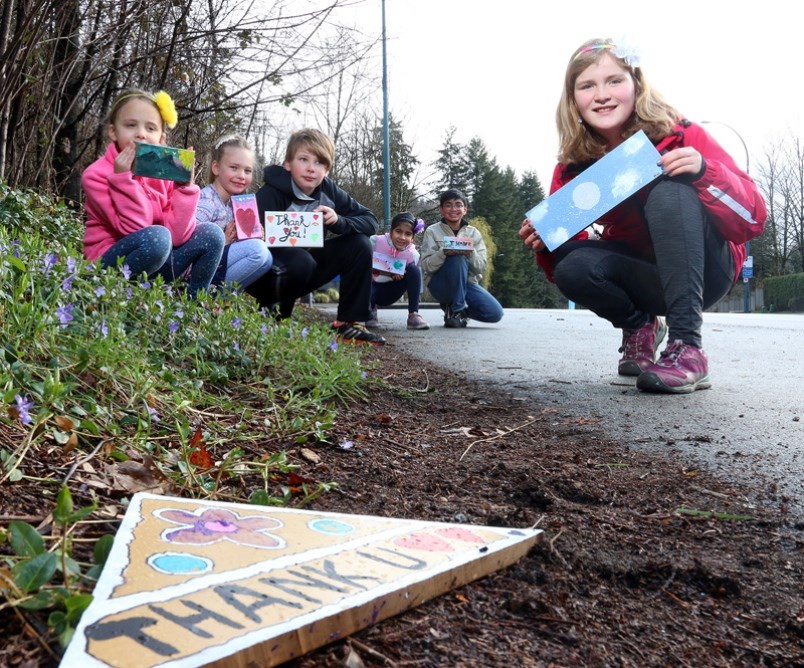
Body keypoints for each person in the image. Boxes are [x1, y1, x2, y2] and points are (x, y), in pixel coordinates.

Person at [519, 38, 767, 393]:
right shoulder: (573, 167)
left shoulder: (680, 133)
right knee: (573, 265)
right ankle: (640, 326)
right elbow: (563, 269)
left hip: (705, 271)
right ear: (573, 99)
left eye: (614, 81)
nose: (602, 94)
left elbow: (753, 219)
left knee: (671, 191)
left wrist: (705, 172)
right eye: (587, 86)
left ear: (636, 84)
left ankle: (687, 347)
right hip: (643, 276)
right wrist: (545, 239)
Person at [247, 128, 385, 344]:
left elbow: (370, 221)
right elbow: (248, 244)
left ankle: (348, 324)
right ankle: (273, 317)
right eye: (303, 159)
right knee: (300, 259)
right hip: (267, 275)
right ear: (288, 164)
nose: (311, 168)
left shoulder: (327, 191)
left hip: (308, 266)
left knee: (360, 243)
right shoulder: (270, 192)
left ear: (327, 170)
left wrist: (339, 220)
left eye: (319, 162)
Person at [82, 89, 224, 298]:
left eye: (150, 127)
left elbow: (177, 237)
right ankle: (114, 295)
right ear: (113, 131)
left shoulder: (162, 174)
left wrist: (183, 189)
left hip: (158, 260)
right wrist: (123, 179)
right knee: (157, 237)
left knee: (212, 234)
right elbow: (134, 229)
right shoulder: (96, 175)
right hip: (111, 265)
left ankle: (193, 306)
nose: (141, 133)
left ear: (161, 138)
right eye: (131, 125)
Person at [195, 135, 273, 289]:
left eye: (247, 170)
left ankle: (220, 298)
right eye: (234, 168)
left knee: (267, 259)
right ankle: (202, 293)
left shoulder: (235, 205)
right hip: (195, 270)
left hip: (215, 265)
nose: (241, 176)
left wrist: (251, 236)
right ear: (216, 168)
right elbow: (189, 247)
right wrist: (222, 241)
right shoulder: (206, 202)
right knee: (258, 251)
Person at [420, 188, 504, 328]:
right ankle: (457, 310)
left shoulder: (474, 233)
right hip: (440, 284)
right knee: (456, 258)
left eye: (458, 205)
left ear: (465, 209)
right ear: (441, 209)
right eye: (448, 205)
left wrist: (470, 252)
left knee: (495, 313)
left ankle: (455, 310)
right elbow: (426, 266)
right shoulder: (432, 231)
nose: (453, 209)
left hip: (466, 283)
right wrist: (443, 252)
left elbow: (480, 268)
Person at [366, 212, 430, 330]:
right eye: (398, 231)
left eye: (408, 234)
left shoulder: (413, 254)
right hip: (371, 287)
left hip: (392, 290)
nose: (402, 237)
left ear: (413, 237)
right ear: (391, 231)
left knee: (414, 270)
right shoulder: (375, 242)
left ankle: (413, 314)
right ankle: (369, 310)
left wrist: (397, 275)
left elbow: (411, 278)